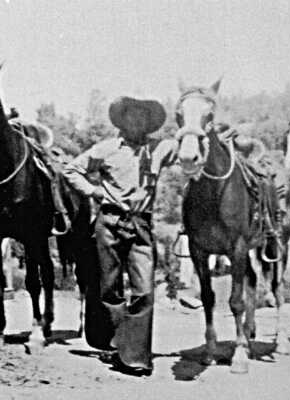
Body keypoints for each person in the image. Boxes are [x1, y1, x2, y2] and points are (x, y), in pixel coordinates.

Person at [64, 96, 177, 376]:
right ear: (123, 121)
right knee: (110, 289)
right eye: (132, 116)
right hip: (110, 221)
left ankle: (136, 356)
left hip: (141, 225)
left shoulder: (159, 147)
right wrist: (95, 192)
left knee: (144, 290)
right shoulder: (106, 148)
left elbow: (188, 149)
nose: (137, 121)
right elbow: (71, 170)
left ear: (149, 123)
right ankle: (119, 350)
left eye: (143, 117)